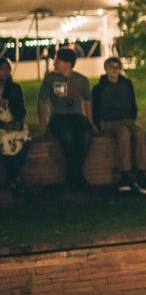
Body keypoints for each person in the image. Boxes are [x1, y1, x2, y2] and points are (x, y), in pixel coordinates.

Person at [38, 48, 94, 189]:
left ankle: (73, 174)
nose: (54, 62)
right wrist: (43, 124)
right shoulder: (50, 79)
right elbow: (42, 102)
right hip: (58, 117)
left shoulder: (81, 80)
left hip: (76, 116)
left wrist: (90, 122)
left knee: (86, 134)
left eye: (57, 60)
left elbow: (88, 101)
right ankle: (77, 175)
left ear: (67, 63)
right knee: (68, 136)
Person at [92, 57, 146, 195]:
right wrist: (96, 123)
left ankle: (142, 171)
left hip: (126, 119)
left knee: (139, 132)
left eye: (117, 67)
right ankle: (126, 173)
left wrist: (131, 117)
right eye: (111, 67)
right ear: (106, 69)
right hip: (108, 121)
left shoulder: (126, 84)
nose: (114, 70)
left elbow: (132, 103)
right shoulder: (99, 88)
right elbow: (94, 108)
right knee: (124, 134)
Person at [0, 59, 30, 194]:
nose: (5, 72)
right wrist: (3, 124)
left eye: (8, 68)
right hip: (2, 126)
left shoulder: (15, 88)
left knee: (26, 138)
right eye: (2, 69)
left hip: (13, 123)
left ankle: (13, 178)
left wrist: (18, 122)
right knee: (6, 140)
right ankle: (16, 178)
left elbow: (21, 110)